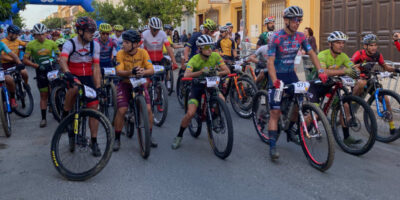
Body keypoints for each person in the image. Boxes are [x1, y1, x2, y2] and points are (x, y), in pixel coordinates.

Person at [266, 6, 326, 160]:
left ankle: (290, 129)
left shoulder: (300, 37)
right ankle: (272, 145)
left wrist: (320, 71)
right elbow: (270, 62)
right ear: (286, 20)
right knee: (275, 112)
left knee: (299, 103)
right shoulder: (276, 37)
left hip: (291, 74)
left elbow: (312, 53)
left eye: (299, 20)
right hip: (277, 75)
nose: (297, 23)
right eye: (294, 20)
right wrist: (274, 81)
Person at [171, 35, 230, 149]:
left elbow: (226, 70)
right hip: (197, 86)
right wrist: (201, 72)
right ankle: (179, 135)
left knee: (222, 99)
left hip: (210, 84)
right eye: (206, 47)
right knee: (190, 114)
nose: (209, 49)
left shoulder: (215, 56)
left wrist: (217, 73)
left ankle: (215, 117)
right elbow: (187, 74)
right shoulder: (195, 59)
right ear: (200, 49)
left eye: (211, 46)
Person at [58, 17, 102, 157]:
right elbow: (62, 60)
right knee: (75, 88)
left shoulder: (95, 45)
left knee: (94, 107)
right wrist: (68, 73)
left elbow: (96, 67)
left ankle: (94, 141)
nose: (92, 34)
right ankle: (65, 113)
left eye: (93, 31)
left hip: (87, 77)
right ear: (80, 31)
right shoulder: (70, 43)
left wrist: (98, 87)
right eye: (90, 31)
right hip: (73, 75)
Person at [307, 31, 361, 145]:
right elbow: (324, 71)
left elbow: (351, 67)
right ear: (330, 44)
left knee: (345, 106)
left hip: (329, 85)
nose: (341, 45)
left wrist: (356, 71)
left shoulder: (343, 56)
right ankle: (301, 132)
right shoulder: (322, 55)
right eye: (338, 42)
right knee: (315, 115)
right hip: (315, 86)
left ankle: (346, 137)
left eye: (343, 43)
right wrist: (343, 71)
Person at [113, 30, 154, 151]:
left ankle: (149, 136)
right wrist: (131, 72)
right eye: (123, 42)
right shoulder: (120, 53)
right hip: (125, 83)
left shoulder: (143, 52)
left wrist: (143, 72)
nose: (123, 44)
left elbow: (151, 70)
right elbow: (119, 71)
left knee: (148, 109)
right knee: (122, 110)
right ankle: (117, 138)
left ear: (135, 44)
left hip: (139, 83)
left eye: (126, 42)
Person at [351, 34, 400, 135]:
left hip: (370, 80)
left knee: (385, 100)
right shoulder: (359, 54)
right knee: (361, 82)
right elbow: (350, 66)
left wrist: (396, 70)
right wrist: (359, 67)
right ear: (365, 46)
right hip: (358, 79)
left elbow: (385, 67)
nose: (374, 47)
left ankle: (392, 127)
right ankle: (353, 102)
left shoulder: (377, 55)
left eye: (375, 45)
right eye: (371, 45)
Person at [141, 17, 178, 146]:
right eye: (154, 29)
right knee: (146, 83)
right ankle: (142, 99)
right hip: (148, 61)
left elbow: (168, 49)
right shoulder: (144, 34)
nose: (156, 31)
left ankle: (159, 99)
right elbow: (140, 50)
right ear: (149, 27)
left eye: (157, 29)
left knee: (159, 83)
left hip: (159, 60)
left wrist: (173, 62)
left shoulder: (163, 34)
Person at [23, 23, 60, 127]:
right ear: (34, 35)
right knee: (43, 95)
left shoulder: (52, 43)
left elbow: (59, 55)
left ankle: (55, 106)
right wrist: (36, 66)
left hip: (51, 68)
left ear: (46, 33)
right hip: (40, 70)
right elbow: (25, 60)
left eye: (42, 34)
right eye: (38, 34)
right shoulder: (30, 44)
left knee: (56, 91)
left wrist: (57, 59)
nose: (41, 36)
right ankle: (43, 119)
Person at [1, 25, 30, 101]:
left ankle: (26, 85)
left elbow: (25, 44)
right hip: (6, 64)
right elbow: (3, 57)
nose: (17, 36)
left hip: (16, 62)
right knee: (9, 81)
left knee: (25, 73)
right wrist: (13, 59)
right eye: (16, 34)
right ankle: (12, 97)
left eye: (18, 34)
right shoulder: (3, 42)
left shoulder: (17, 40)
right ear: (10, 33)